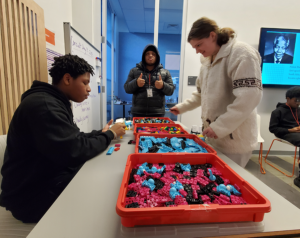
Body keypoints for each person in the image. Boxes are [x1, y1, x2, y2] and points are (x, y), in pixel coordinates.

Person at [0, 54, 126, 223]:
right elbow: (75, 150)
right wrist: (110, 134)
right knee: (107, 191)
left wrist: (101, 133)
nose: (89, 89)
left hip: (44, 181)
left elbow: (72, 138)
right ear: (67, 79)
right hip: (31, 199)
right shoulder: (45, 106)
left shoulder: (51, 101)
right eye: (85, 82)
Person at [170, 17, 262, 168]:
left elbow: (249, 97)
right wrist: (181, 108)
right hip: (214, 137)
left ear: (213, 36)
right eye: (194, 47)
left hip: (234, 142)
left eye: (199, 45)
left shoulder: (241, 53)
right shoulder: (206, 63)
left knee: (230, 184)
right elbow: (201, 94)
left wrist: (220, 126)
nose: (197, 50)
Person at [124, 44, 175, 118]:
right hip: (138, 113)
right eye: (147, 54)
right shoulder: (134, 71)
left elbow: (171, 91)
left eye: (153, 54)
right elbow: (126, 88)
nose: (150, 55)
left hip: (158, 113)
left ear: (157, 56)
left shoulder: (165, 72)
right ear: (143, 56)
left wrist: (163, 85)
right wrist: (136, 83)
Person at [269, 86, 300, 188]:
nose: (298, 103)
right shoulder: (277, 112)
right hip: (285, 133)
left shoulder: (298, 110)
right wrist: (290, 130)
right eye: (296, 100)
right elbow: (273, 129)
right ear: (288, 98)